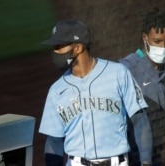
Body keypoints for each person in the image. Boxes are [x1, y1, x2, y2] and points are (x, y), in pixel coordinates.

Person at [39, 19, 153, 166]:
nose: (55, 52)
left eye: (59, 46)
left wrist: (146, 162)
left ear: (78, 48)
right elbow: (54, 140)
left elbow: (140, 120)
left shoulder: (117, 73)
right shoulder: (56, 90)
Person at [119, 8, 165, 166]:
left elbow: (162, 112)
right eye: (157, 41)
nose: (163, 48)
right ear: (145, 38)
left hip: (152, 155)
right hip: (126, 155)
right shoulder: (125, 69)